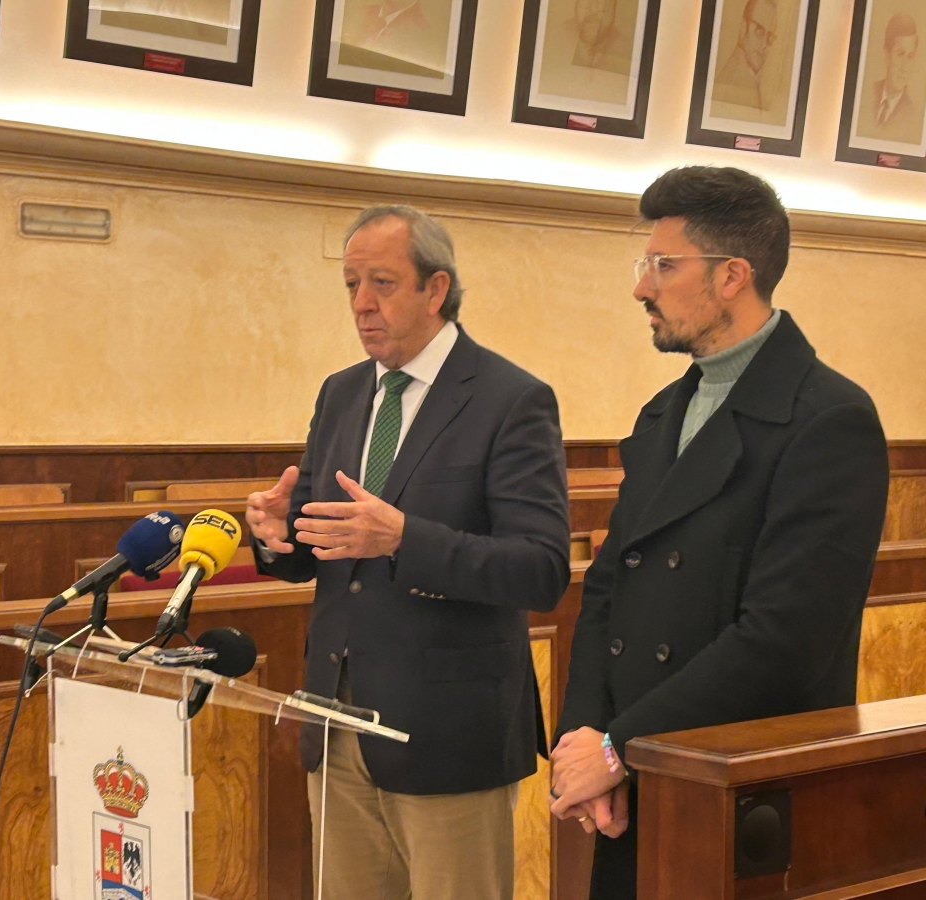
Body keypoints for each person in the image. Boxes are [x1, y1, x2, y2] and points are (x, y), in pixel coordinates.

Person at [550, 167, 889, 900]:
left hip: (742, 795)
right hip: (637, 777)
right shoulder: (661, 413)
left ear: (733, 276)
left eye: (663, 265)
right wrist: (584, 736)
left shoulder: (829, 420)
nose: (641, 288)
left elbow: (785, 640)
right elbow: (607, 590)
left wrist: (618, 746)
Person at [246, 205, 570, 900]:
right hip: (336, 720)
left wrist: (404, 539)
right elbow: (324, 541)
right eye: (351, 285)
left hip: (447, 733)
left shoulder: (510, 399)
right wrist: (276, 536)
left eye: (383, 283)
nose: (362, 304)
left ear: (435, 288)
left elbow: (540, 568)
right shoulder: (341, 393)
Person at [858, 13, 923, 145]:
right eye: (900, 54)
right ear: (887, 55)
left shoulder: (914, 117)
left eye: (910, 56)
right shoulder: (865, 95)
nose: (905, 67)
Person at [714, 0, 779, 110]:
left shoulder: (750, 78)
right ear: (743, 27)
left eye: (770, 37)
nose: (764, 45)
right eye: (759, 32)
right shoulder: (737, 82)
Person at [571, 0, 632, 76]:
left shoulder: (627, 51)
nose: (593, 12)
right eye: (586, 2)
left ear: (614, 9)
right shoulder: (559, 39)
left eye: (602, 4)